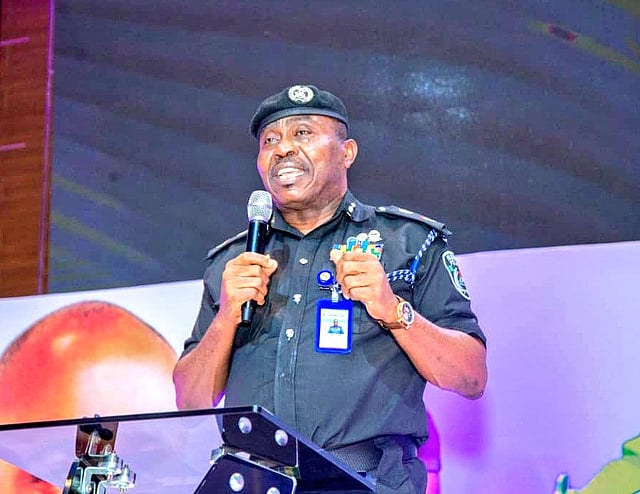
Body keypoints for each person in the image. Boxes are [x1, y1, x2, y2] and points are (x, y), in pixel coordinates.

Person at [172, 84, 487, 494]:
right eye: (270, 141)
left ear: (347, 152)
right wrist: (228, 317)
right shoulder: (233, 263)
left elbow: (470, 377)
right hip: (251, 482)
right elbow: (189, 399)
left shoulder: (407, 243)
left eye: (302, 133)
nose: (283, 149)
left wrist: (393, 310)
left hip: (363, 482)